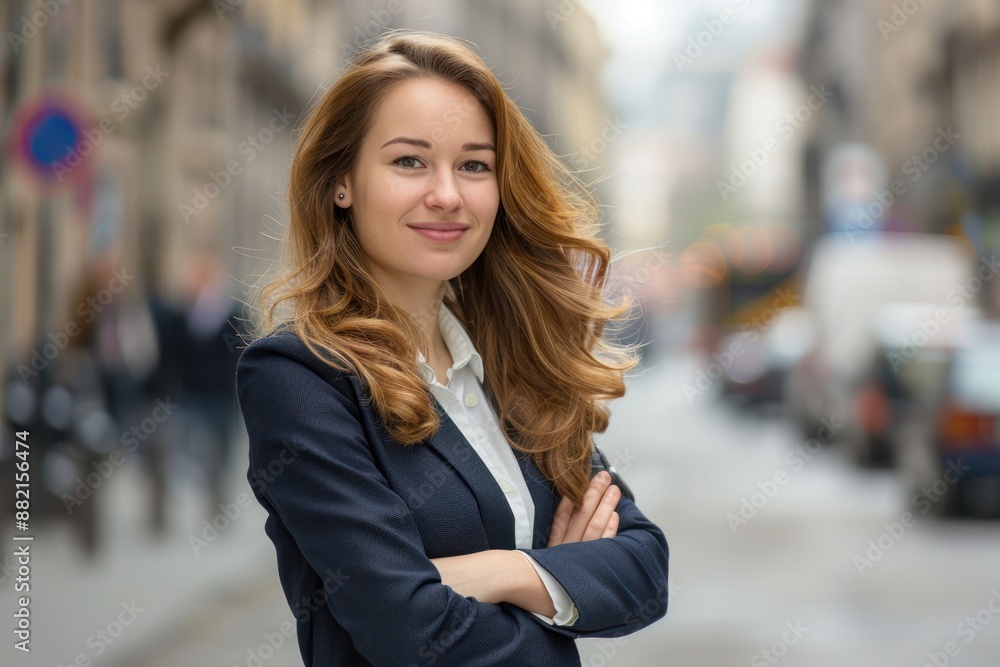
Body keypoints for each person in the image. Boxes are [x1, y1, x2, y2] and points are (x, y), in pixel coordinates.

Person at [236, 31, 669, 667]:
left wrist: (504, 571)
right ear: (341, 182)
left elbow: (645, 570)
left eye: (474, 166)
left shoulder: (512, 361)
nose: (447, 195)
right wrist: (561, 581)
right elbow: (409, 632)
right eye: (409, 162)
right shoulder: (299, 376)